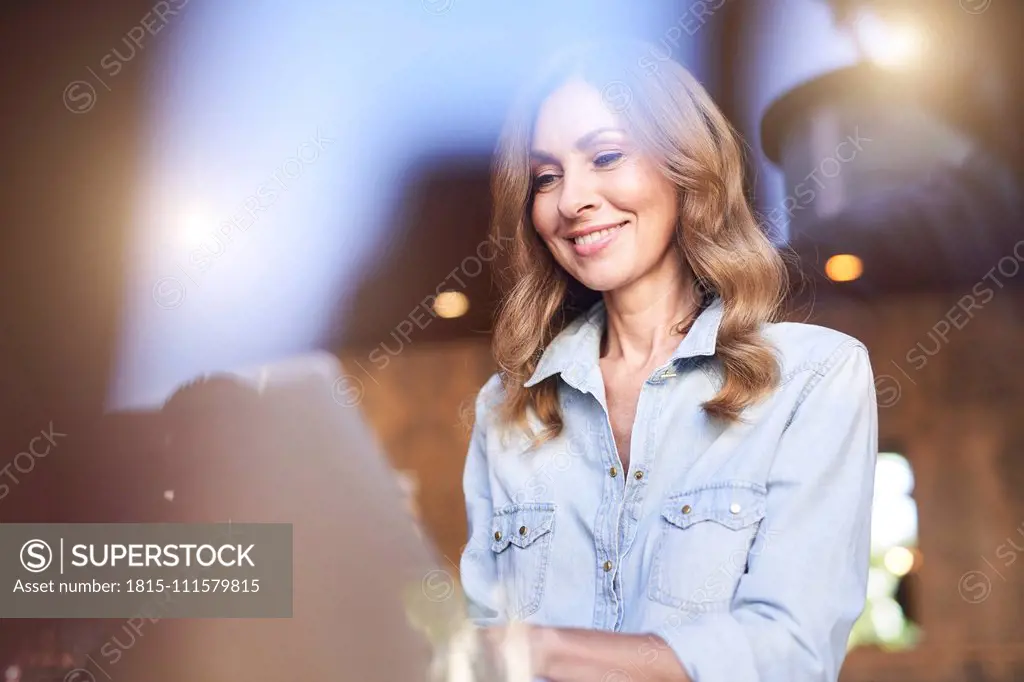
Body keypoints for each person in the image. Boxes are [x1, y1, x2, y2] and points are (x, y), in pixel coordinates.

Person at [459, 40, 878, 682]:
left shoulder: (816, 378)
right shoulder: (505, 409)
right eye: (546, 176)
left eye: (605, 156)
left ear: (685, 166)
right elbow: (478, 646)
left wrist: (540, 651)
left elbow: (790, 650)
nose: (571, 200)